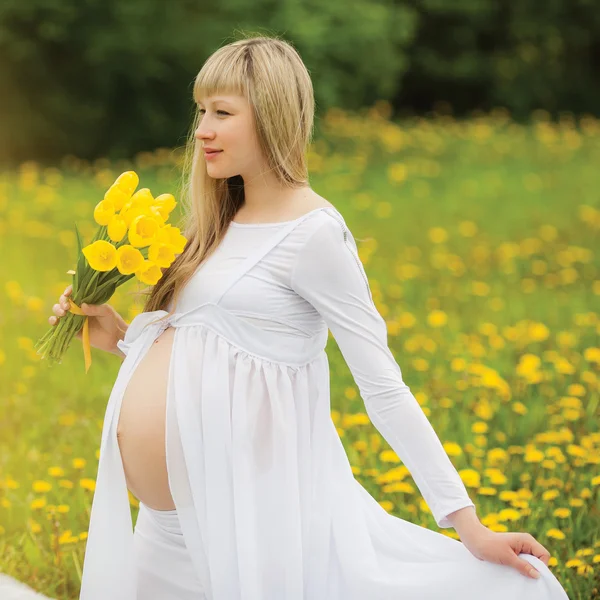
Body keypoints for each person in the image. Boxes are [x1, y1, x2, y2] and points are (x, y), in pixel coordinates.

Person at [49, 35, 569, 600]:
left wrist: (467, 524)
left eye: (222, 112)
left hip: (250, 525)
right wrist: (121, 337)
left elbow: (384, 389)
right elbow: (209, 355)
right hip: (166, 532)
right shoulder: (212, 225)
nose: (202, 129)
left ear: (272, 116)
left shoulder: (313, 234)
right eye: (201, 111)